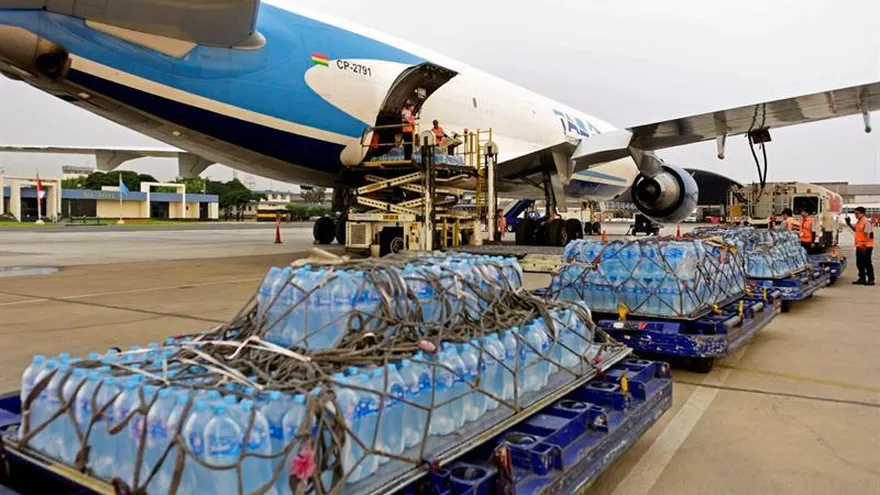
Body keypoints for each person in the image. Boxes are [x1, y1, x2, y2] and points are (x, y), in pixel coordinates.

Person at [845, 206, 875, 285]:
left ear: (862, 213)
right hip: (860, 246)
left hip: (866, 246)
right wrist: (849, 224)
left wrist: (864, 246)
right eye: (855, 213)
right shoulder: (859, 222)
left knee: (867, 263)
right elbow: (855, 230)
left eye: (857, 213)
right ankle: (862, 278)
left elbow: (867, 235)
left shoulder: (866, 222)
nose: (855, 215)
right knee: (859, 263)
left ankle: (871, 279)